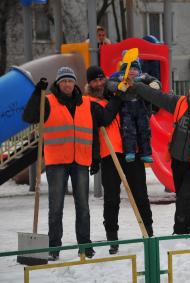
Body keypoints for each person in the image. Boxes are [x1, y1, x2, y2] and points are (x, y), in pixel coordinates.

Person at [22, 67, 122, 260]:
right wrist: (37, 93)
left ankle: (85, 245)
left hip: (81, 162)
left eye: (70, 80)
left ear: (75, 82)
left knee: (83, 207)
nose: (67, 84)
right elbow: (28, 116)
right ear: (58, 83)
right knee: (56, 207)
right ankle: (53, 247)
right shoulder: (48, 102)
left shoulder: (87, 103)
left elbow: (103, 120)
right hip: (56, 162)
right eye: (63, 81)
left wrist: (117, 98)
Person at [113, 75, 190, 234]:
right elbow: (158, 96)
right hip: (177, 160)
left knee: (184, 197)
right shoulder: (180, 103)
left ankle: (178, 230)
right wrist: (137, 86)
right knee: (183, 196)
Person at [85, 66, 154, 254]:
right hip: (110, 155)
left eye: (101, 79)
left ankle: (148, 232)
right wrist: (118, 96)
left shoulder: (115, 92)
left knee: (140, 194)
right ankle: (112, 237)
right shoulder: (90, 101)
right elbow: (105, 118)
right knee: (111, 198)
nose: (99, 83)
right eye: (95, 81)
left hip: (132, 151)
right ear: (90, 84)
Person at [110, 56, 161, 163]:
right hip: (126, 108)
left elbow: (154, 79)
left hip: (141, 107)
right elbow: (110, 84)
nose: (132, 71)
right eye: (129, 69)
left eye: (135, 69)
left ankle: (146, 153)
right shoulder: (120, 78)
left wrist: (155, 84)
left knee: (144, 129)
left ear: (139, 70)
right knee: (128, 130)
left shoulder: (143, 77)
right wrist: (120, 86)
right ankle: (130, 151)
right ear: (124, 70)